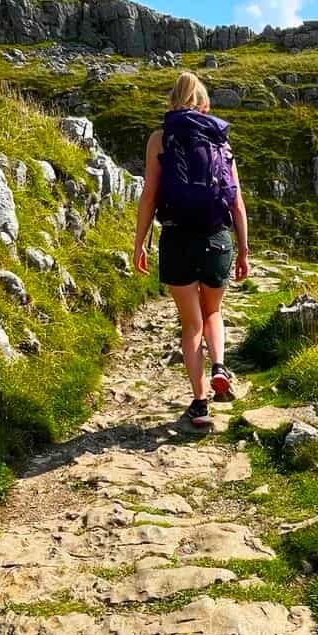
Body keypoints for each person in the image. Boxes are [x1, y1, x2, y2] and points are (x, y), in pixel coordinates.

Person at [133, 71, 250, 428]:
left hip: (177, 237)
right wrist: (243, 250)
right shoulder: (221, 141)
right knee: (213, 312)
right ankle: (219, 365)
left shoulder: (160, 139)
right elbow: (237, 203)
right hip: (216, 238)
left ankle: (200, 405)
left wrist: (138, 243)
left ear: (172, 100)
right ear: (204, 103)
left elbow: (150, 194)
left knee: (190, 323)